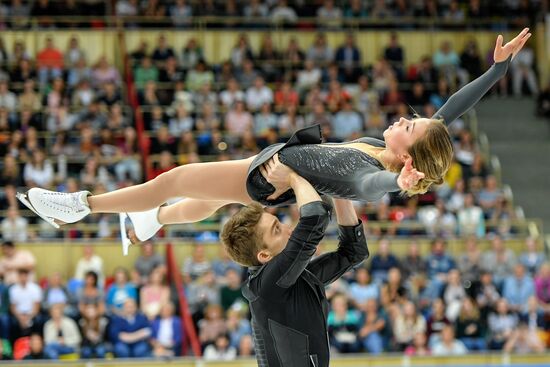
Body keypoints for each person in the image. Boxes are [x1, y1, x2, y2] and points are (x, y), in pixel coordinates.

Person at [19, 30, 531, 253]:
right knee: (204, 200)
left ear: (407, 156)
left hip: (268, 178)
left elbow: (374, 187)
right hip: (275, 165)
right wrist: (497, 69)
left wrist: (395, 183)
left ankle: (81, 207)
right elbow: (448, 113)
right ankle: (149, 223)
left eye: (410, 126)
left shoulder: (372, 172)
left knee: (173, 178)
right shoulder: (382, 143)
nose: (406, 118)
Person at [220, 166, 369, 366]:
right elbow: (314, 219)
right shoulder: (267, 287)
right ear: (264, 255)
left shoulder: (290, 280)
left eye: (279, 223)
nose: (289, 229)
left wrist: (338, 192)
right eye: (276, 230)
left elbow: (353, 252)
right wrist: (292, 176)